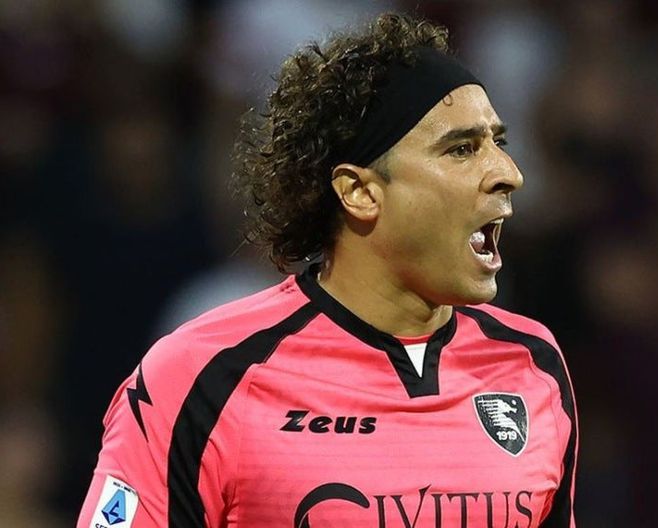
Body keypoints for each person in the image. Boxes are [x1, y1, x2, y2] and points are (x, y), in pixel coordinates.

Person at [77, 13, 578, 527]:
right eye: (461, 149)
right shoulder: (204, 376)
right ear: (359, 192)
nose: (509, 173)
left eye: (499, 143)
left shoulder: (532, 365)